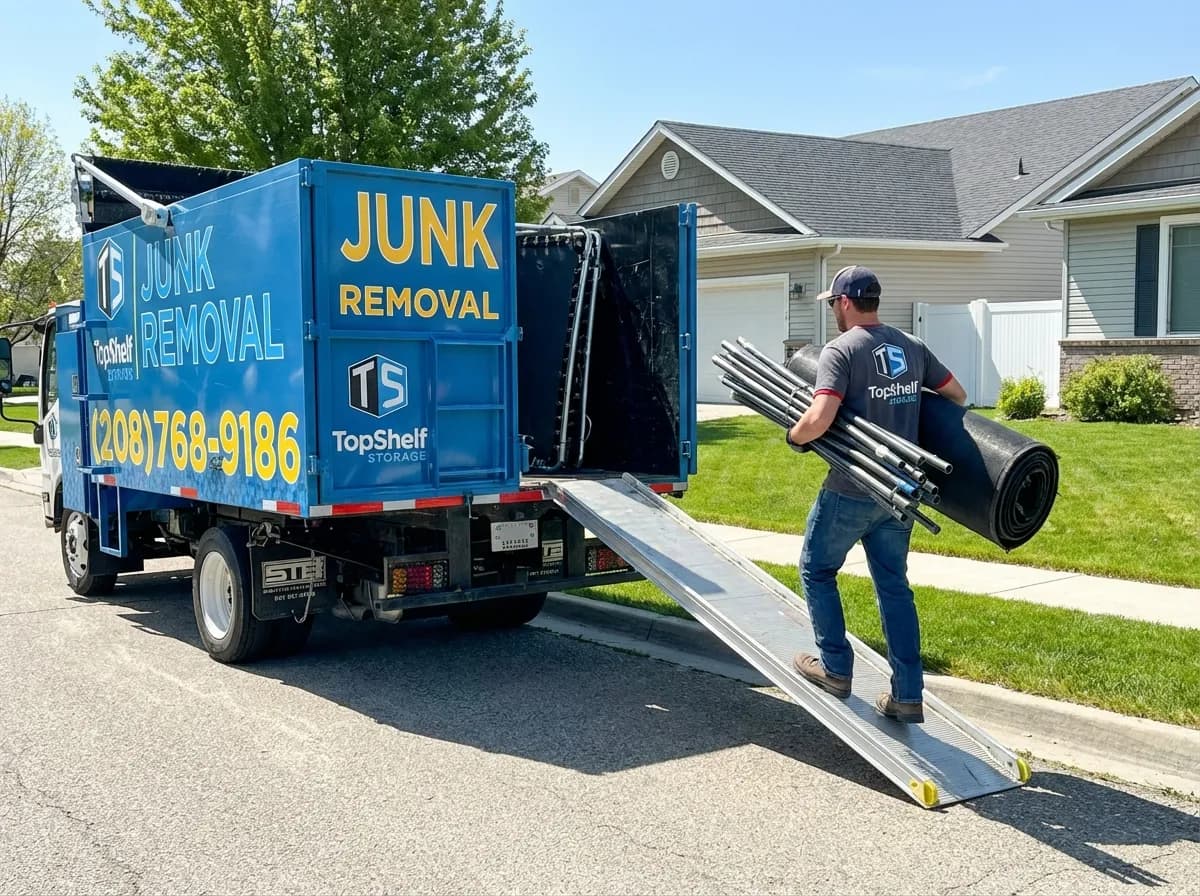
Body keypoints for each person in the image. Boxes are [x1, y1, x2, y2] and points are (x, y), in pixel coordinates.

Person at [785, 265, 966, 724]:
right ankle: (907, 695)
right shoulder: (913, 346)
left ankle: (834, 669)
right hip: (900, 491)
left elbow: (821, 416)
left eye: (833, 304)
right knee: (893, 588)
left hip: (852, 488)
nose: (833, 311)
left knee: (816, 568)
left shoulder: (841, 350)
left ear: (845, 302)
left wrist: (795, 436)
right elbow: (957, 395)